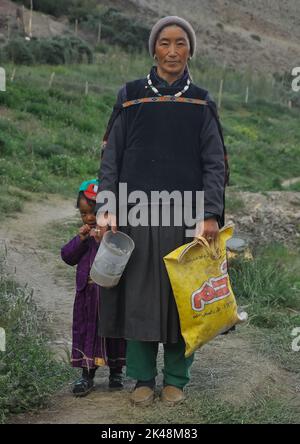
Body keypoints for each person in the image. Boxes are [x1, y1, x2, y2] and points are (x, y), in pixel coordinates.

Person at [96, 16, 228, 407]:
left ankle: (175, 380)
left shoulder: (201, 101)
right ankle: (141, 379)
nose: (172, 51)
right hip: (136, 216)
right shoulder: (131, 95)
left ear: (190, 50)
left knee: (181, 299)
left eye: (181, 43)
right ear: (153, 49)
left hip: (187, 218)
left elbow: (215, 163)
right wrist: (108, 206)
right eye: (165, 43)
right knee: (138, 297)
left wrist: (210, 214)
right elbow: (111, 157)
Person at [61, 179, 126, 397]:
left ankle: (116, 373)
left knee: (114, 335)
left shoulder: (114, 236)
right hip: (87, 298)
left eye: (94, 212)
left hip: (108, 296)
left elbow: (119, 259)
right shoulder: (84, 237)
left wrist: (103, 240)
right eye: (83, 214)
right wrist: (80, 239)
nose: (89, 218)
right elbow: (67, 257)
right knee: (86, 333)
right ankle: (86, 376)